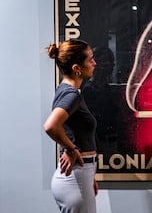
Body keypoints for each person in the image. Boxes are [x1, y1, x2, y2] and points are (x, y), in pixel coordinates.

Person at [44, 39, 98, 212]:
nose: (94, 63)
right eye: (90, 60)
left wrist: (89, 178)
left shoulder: (65, 89)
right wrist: (71, 149)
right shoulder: (71, 94)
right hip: (76, 177)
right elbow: (51, 126)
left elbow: (71, 129)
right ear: (77, 68)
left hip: (79, 176)